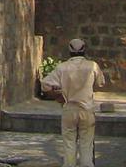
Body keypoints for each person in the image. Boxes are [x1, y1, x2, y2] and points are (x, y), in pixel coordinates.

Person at [40, 38, 105, 167]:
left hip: (69, 109)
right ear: (84, 50)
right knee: (86, 144)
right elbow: (101, 82)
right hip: (87, 109)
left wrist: (58, 96)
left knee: (69, 144)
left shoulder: (62, 67)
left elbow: (45, 85)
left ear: (69, 51)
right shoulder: (92, 66)